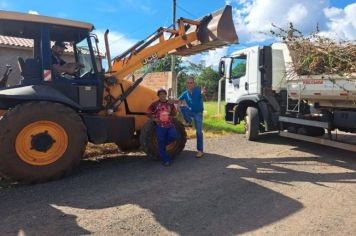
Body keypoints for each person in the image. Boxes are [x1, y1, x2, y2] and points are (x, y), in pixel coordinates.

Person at [146, 88, 178, 166]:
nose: (162, 96)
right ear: (158, 96)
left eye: (164, 94)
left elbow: (174, 113)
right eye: (160, 94)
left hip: (170, 125)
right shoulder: (155, 104)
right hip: (160, 126)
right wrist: (154, 119)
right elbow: (148, 111)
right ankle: (166, 160)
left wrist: (174, 107)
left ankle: (164, 144)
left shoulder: (170, 103)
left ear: (166, 95)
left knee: (174, 136)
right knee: (161, 143)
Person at [178, 77, 205, 158]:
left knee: (199, 132)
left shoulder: (197, 90)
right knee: (182, 107)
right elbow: (178, 100)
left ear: (194, 83)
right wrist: (174, 104)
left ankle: (200, 151)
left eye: (191, 82)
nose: (190, 84)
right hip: (190, 111)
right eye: (188, 83)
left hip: (198, 113)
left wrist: (203, 93)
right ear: (186, 84)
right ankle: (188, 121)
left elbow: (202, 94)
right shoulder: (185, 93)